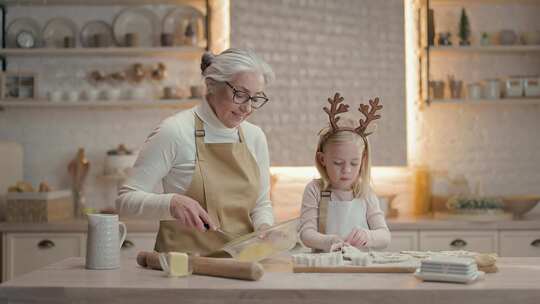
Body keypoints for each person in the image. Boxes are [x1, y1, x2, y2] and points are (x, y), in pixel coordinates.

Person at [116, 48, 275, 256]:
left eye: (255, 98)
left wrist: (264, 228)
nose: (247, 108)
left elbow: (261, 204)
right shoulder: (175, 131)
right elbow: (125, 201)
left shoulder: (255, 137)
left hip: (240, 266)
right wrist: (171, 203)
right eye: (240, 94)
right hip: (183, 270)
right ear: (211, 85)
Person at [298, 93, 391, 252]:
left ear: (363, 160)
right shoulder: (315, 190)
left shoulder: (365, 193)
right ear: (322, 160)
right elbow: (306, 234)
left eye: (354, 163)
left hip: (359, 268)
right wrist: (330, 241)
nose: (346, 170)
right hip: (324, 268)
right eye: (338, 163)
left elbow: (385, 237)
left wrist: (368, 236)